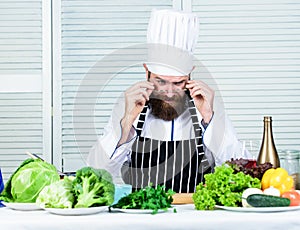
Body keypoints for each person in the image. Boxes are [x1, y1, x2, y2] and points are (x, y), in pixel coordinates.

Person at [87, 9, 250, 193]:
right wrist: (125, 125)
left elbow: (241, 172)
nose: (170, 93)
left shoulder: (206, 106)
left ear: (190, 75)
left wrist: (209, 120)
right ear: (146, 71)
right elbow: (97, 173)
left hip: (197, 216)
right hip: (143, 215)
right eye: (160, 81)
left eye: (178, 83)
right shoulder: (130, 105)